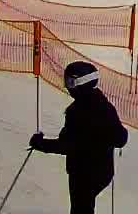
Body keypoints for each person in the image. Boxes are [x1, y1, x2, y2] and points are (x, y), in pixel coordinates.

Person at [31, 60, 129, 214]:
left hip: (83, 174)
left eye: (70, 82)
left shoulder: (76, 111)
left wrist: (40, 144)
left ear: (82, 83)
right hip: (103, 173)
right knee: (85, 206)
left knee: (81, 208)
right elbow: (121, 138)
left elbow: (66, 145)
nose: (67, 87)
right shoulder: (104, 105)